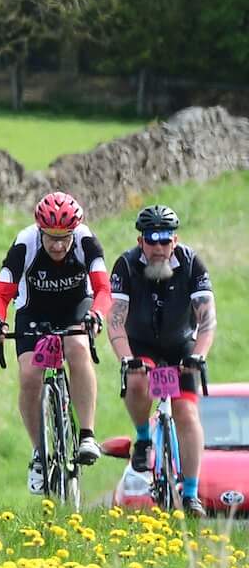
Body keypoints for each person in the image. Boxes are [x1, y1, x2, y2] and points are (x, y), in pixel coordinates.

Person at [109, 203, 218, 516]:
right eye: (151, 239)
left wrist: (199, 354)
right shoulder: (126, 265)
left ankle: (192, 494)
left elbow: (207, 319)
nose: (158, 247)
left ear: (175, 240)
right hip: (141, 343)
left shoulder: (191, 263)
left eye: (165, 240)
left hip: (180, 345)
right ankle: (143, 439)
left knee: (186, 413)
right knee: (137, 380)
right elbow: (115, 320)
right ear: (140, 240)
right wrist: (126, 358)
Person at [0, 192, 110, 495]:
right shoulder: (25, 243)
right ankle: (39, 452)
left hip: (76, 306)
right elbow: (1, 294)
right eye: (51, 238)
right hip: (34, 310)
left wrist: (96, 315)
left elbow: (103, 288)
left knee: (77, 347)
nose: (59, 245)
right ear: (40, 231)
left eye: (65, 238)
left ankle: (86, 434)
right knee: (30, 376)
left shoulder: (87, 241)